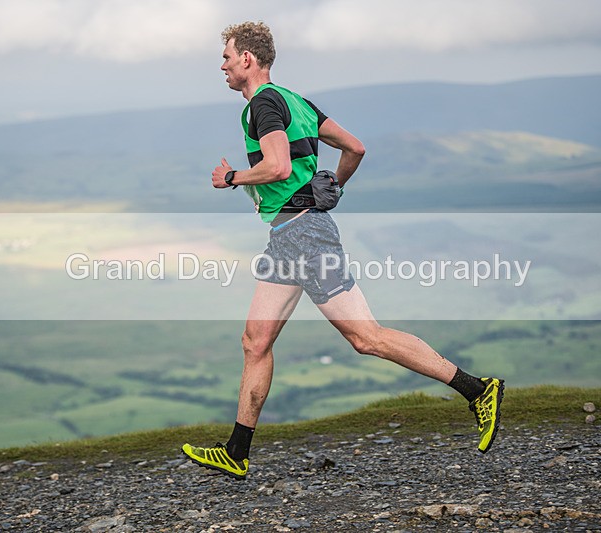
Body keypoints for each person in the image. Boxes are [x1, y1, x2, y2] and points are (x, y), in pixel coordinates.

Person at [182, 21, 504, 480]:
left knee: (365, 337)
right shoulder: (298, 102)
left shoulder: (263, 104)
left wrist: (231, 178)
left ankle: (477, 389)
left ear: (248, 60)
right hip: (289, 236)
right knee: (256, 342)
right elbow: (354, 147)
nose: (223, 65)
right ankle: (237, 450)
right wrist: (333, 187)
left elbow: (276, 166)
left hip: (305, 236)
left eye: (228, 57)